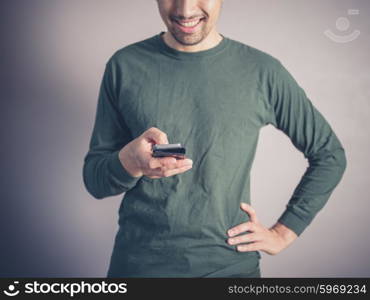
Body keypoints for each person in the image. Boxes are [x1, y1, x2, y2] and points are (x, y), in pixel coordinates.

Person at [82, 0, 347, 278]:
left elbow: (329, 155)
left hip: (230, 270)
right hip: (139, 269)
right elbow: (95, 181)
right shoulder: (124, 65)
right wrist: (130, 162)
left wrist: (284, 232)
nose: (185, 10)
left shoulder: (262, 71)